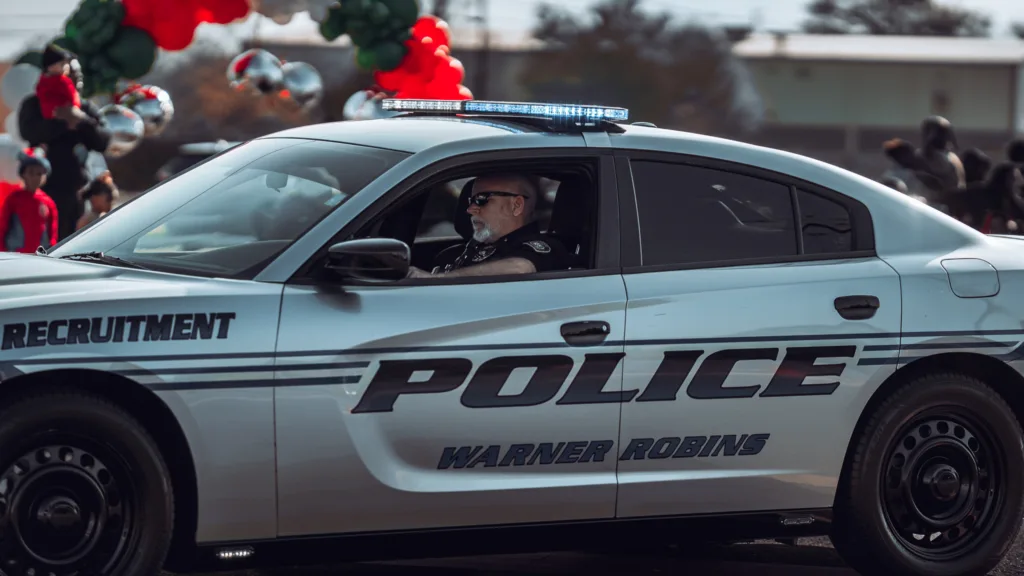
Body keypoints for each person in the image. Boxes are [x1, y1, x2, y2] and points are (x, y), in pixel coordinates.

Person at [406, 173, 572, 279]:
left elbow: (521, 268)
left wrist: (437, 279)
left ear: (516, 205)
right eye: (470, 201)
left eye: (481, 200)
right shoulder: (451, 254)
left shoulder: (544, 249)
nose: (470, 209)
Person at [19, 58, 112, 242]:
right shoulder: (34, 104)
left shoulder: (84, 108)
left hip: (78, 192)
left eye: (77, 79)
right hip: (43, 190)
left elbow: (102, 141)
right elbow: (28, 132)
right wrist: (60, 122)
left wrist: (82, 121)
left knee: (76, 243)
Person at [0, 148, 59, 253]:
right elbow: (2, 228)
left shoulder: (48, 203)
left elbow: (52, 235)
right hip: (16, 256)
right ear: (23, 174)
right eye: (31, 172)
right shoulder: (14, 199)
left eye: (40, 173)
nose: (35, 177)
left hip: (39, 257)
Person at [35, 44, 86, 125]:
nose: (67, 67)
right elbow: (73, 97)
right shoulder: (63, 81)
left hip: (48, 116)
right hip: (68, 114)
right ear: (50, 67)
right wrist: (76, 108)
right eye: (63, 64)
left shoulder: (42, 81)